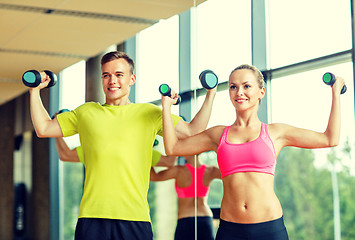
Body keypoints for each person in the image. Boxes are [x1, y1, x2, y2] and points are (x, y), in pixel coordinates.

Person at [28, 51, 216, 240]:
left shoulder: (149, 113)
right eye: (106, 75)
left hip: (135, 218)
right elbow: (43, 128)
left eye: (119, 75)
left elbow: (193, 131)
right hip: (92, 217)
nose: (112, 81)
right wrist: (34, 91)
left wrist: (211, 93)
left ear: (132, 79)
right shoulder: (86, 112)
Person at [161, 64, 345, 240]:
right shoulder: (218, 134)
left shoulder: (276, 132)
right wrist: (166, 107)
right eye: (233, 87)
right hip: (230, 229)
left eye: (246, 86)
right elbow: (173, 148)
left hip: (269, 228)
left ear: (261, 92)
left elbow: (330, 138)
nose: (239, 92)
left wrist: (335, 93)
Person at [150, 154, 221, 240]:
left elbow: (153, 176)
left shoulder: (179, 171)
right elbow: (232, 175)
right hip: (205, 219)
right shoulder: (211, 170)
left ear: (185, 154)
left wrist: (149, 155)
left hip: (186, 220)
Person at [55, 136, 178, 167]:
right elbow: (170, 161)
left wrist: (58, 131)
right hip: (101, 209)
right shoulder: (98, 147)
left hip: (130, 212)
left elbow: (169, 162)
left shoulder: (142, 151)